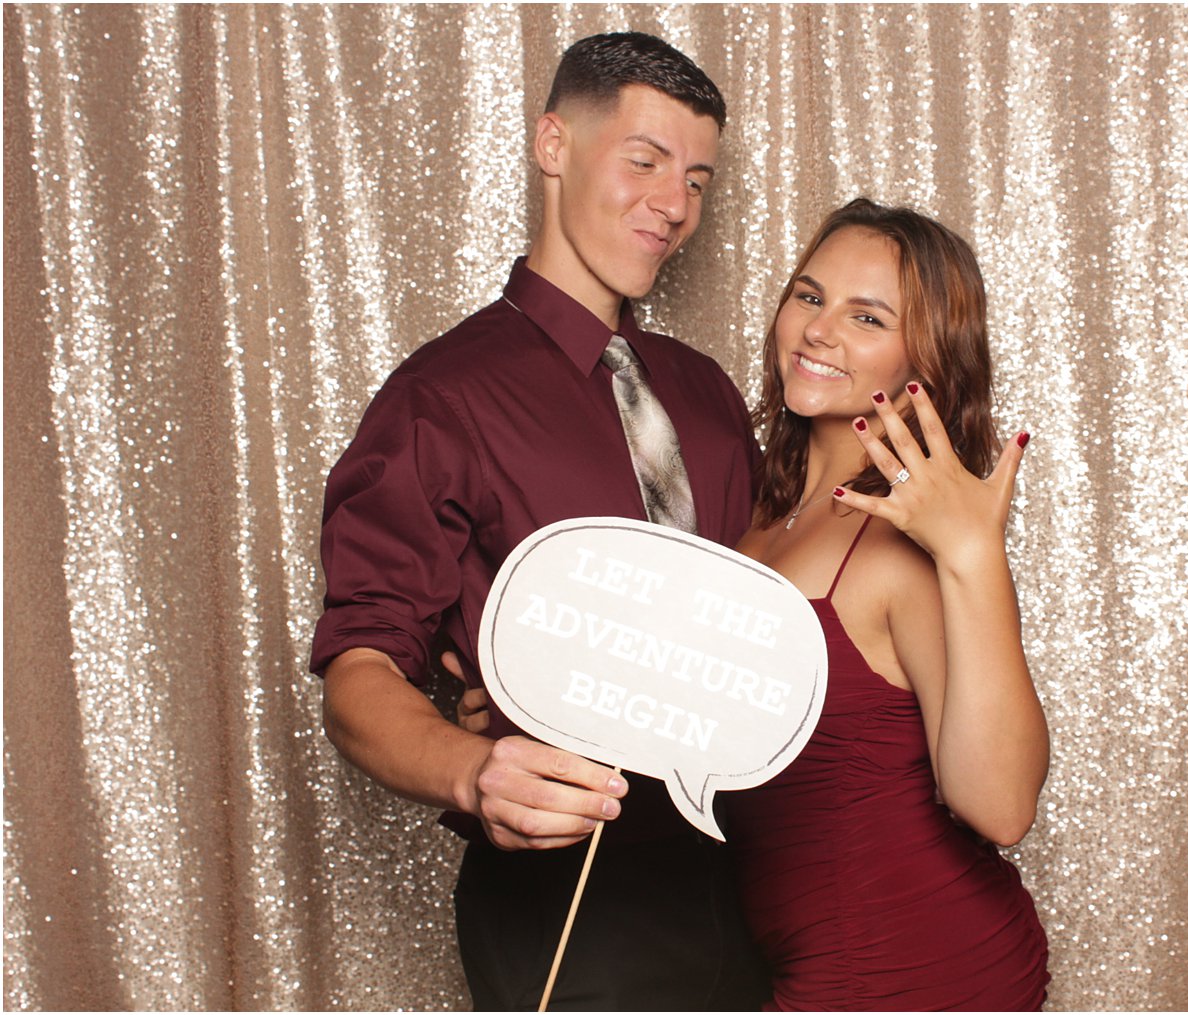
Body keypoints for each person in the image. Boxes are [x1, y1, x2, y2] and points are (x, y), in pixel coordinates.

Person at [310, 32, 770, 1010]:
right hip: (566, 898)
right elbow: (358, 671)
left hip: (747, 879)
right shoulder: (439, 400)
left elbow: (764, 614)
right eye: (643, 162)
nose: (674, 205)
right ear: (553, 145)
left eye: (696, 178)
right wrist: (477, 769)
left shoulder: (706, 396)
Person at [725, 198, 1052, 1010]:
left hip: (916, 966)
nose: (817, 329)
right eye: (808, 295)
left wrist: (974, 556)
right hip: (791, 955)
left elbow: (1001, 807)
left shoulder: (904, 551)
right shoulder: (759, 512)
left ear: (928, 362)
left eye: (865, 316)